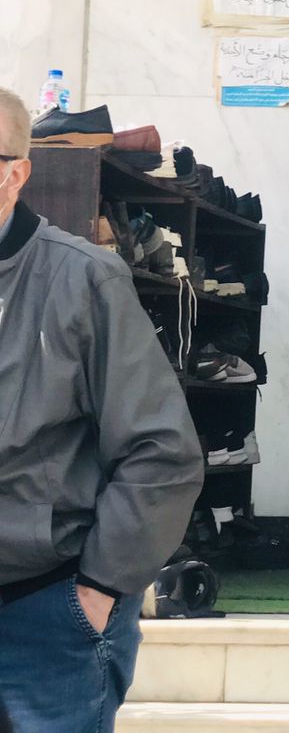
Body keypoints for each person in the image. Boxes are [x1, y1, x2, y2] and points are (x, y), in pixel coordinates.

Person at [0, 85, 204, 732]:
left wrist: (100, 588)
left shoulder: (83, 280)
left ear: (16, 174)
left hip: (44, 609)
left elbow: (161, 452)